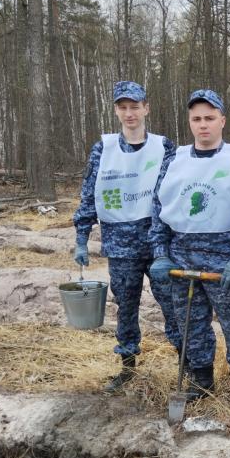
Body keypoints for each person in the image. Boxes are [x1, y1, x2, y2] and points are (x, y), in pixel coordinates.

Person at [148, 89, 230, 416]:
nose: (203, 125)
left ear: (222, 121)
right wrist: (160, 253)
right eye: (197, 119)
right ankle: (202, 382)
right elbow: (159, 209)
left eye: (210, 118)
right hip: (180, 261)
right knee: (192, 326)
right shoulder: (173, 160)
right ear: (190, 122)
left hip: (224, 262)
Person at [73, 81, 178, 392]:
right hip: (120, 245)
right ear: (117, 111)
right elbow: (90, 193)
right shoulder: (102, 149)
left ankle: (187, 366)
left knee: (172, 305)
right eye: (123, 107)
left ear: (146, 108)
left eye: (135, 107)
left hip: (159, 244)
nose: (130, 113)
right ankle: (128, 367)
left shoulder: (164, 147)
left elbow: (175, 193)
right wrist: (81, 236)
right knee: (126, 307)